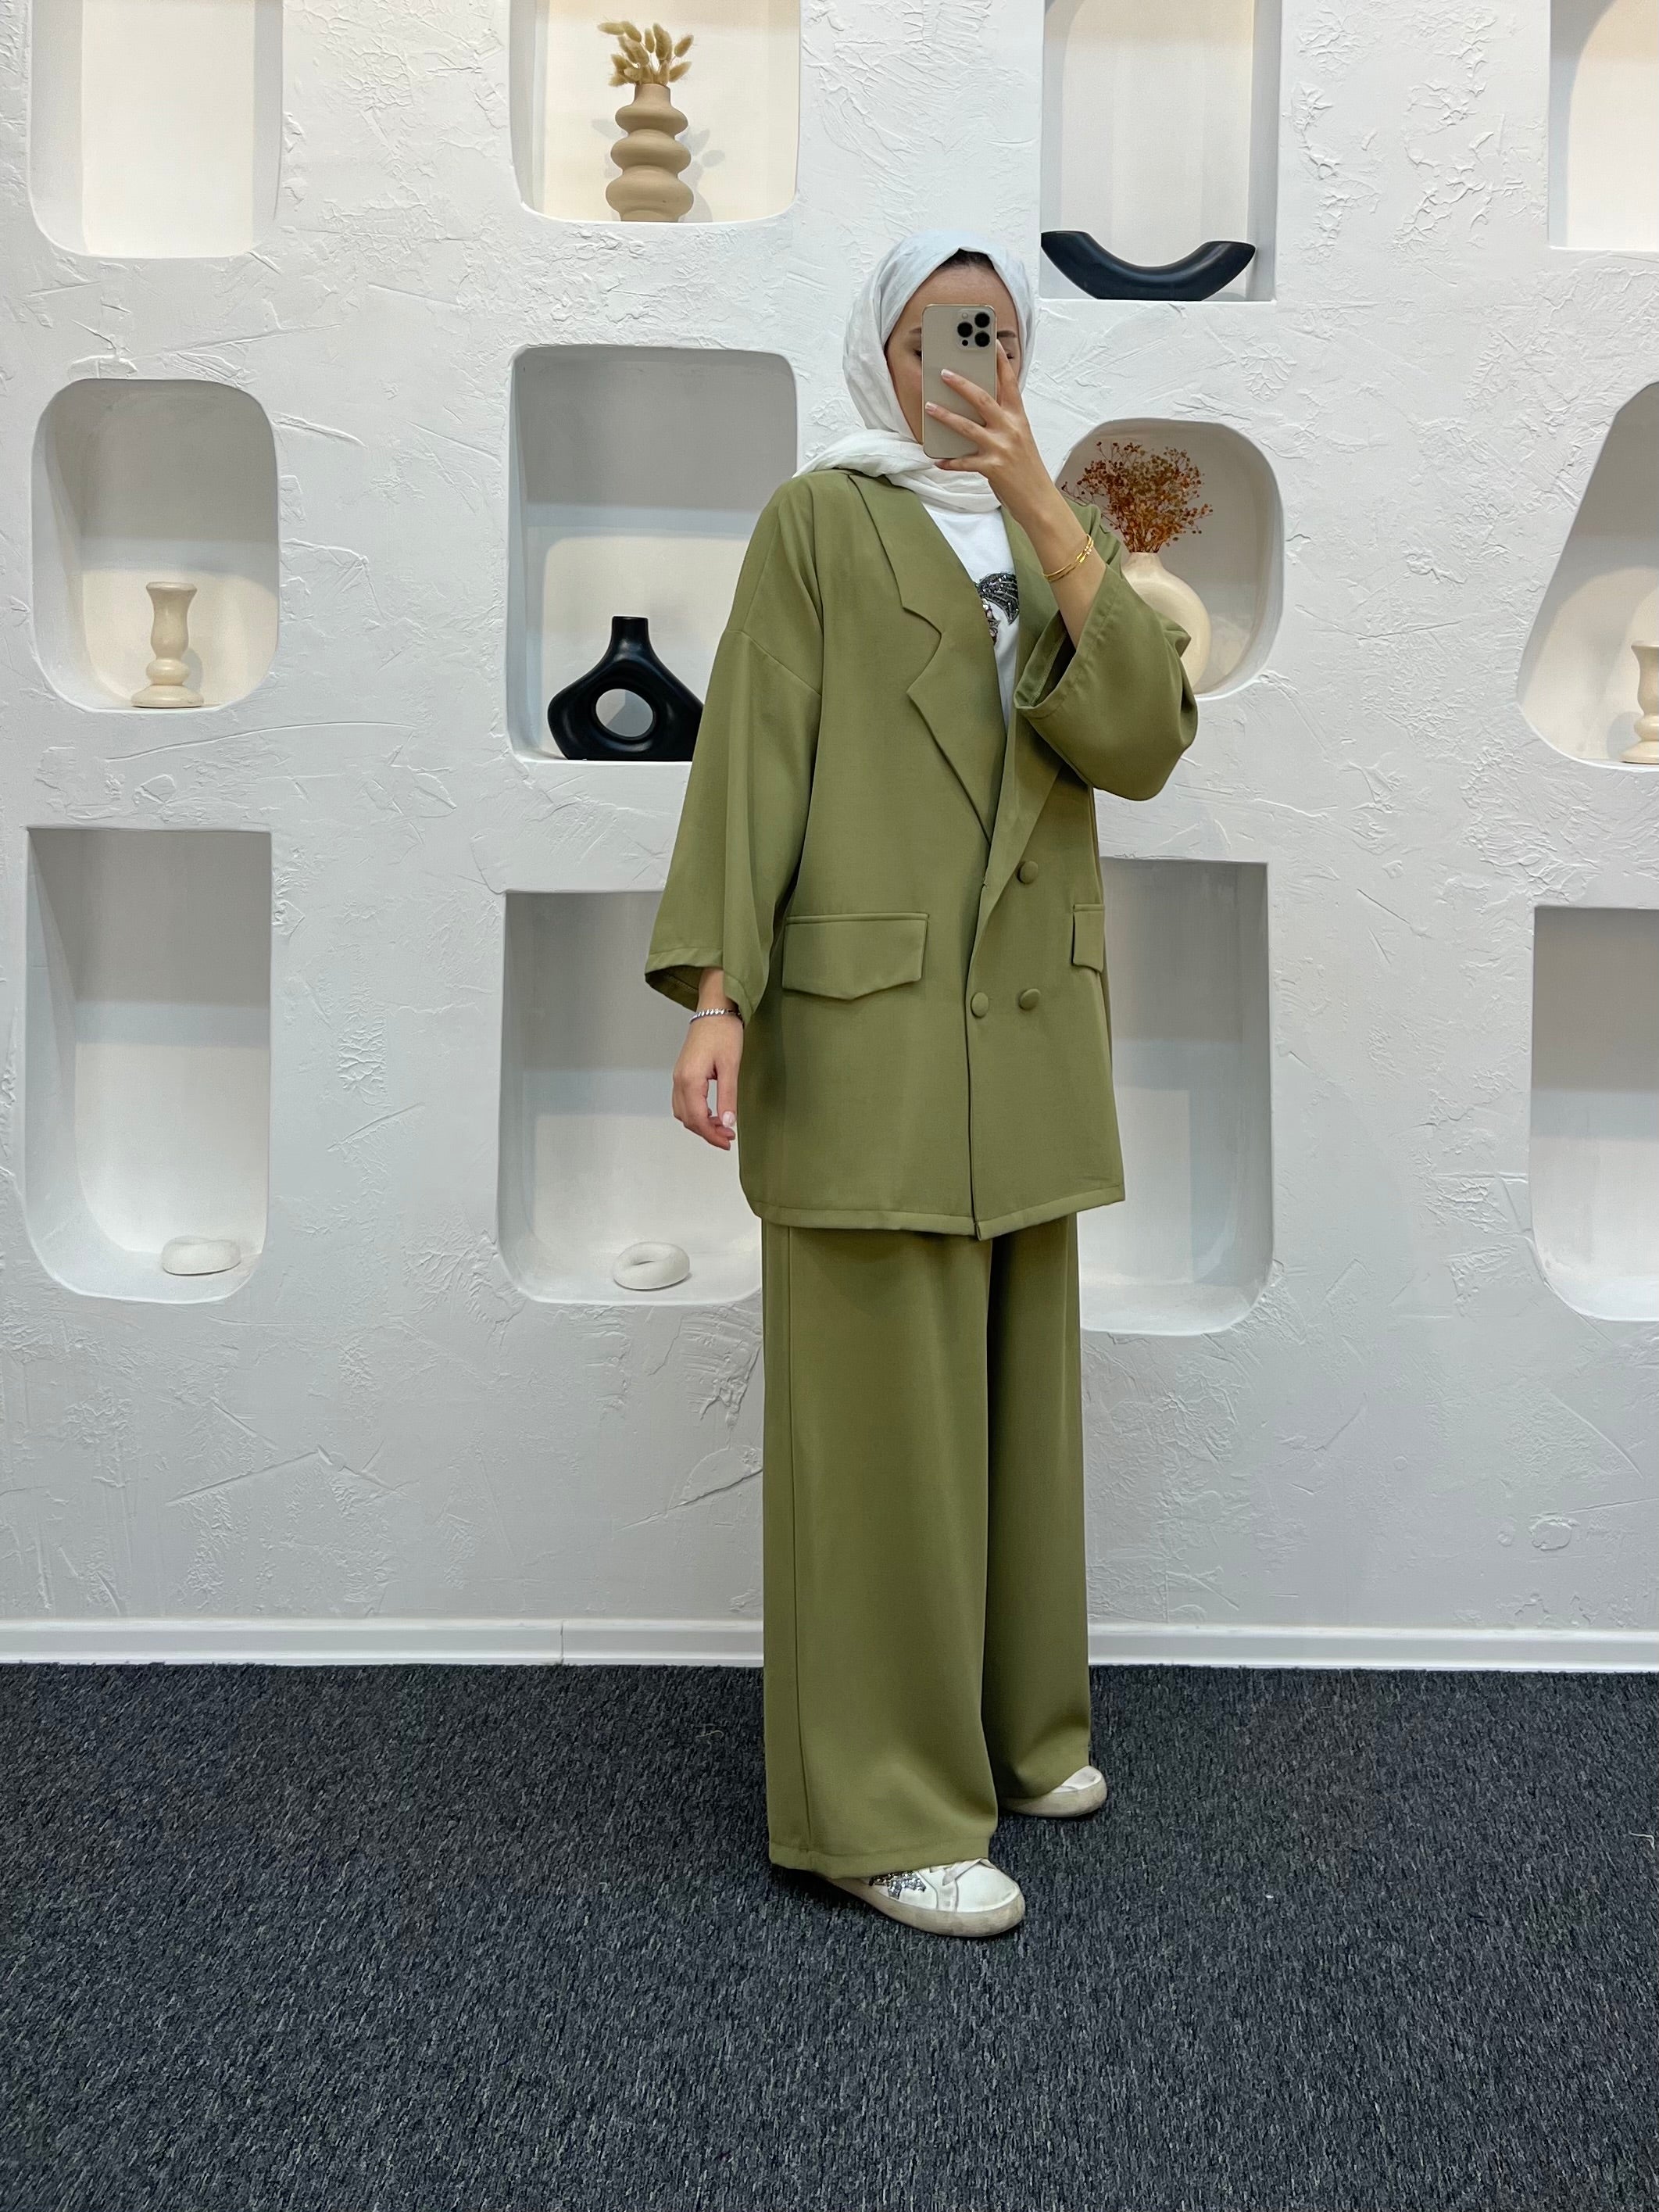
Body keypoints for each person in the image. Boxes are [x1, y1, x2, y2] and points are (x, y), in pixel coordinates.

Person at [643, 228, 1198, 1938]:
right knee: (879, 1423)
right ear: (880, 355)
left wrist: (1042, 504)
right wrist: (720, 992)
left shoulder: (1064, 527)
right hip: (867, 1022)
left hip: (1023, 1023)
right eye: (941, 334)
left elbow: (1144, 745)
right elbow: (754, 752)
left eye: (1000, 333)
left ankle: (1017, 1728)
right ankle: (876, 1808)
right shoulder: (819, 519)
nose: (974, 362)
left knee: (1016, 1403)